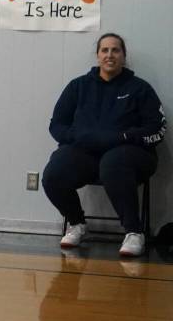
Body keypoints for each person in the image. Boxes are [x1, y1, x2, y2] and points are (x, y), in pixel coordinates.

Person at [43, 32, 166, 258]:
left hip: (132, 154)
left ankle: (134, 232)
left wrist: (126, 137)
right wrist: (78, 137)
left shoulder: (140, 88)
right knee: (54, 172)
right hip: (87, 152)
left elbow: (158, 129)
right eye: (105, 50)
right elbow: (57, 125)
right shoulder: (78, 86)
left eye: (115, 50)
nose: (110, 55)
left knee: (113, 162)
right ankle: (77, 224)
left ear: (123, 56)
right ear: (98, 55)